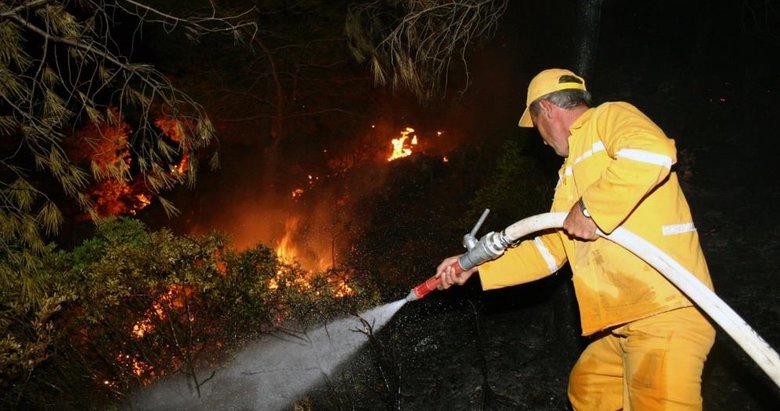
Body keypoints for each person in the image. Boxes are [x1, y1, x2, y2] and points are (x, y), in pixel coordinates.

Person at [436, 68, 715, 410]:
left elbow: (654, 151)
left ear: (547, 111)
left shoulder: (608, 118)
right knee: (589, 388)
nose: (540, 138)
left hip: (665, 308)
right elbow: (550, 251)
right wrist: (476, 268)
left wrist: (589, 208)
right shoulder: (570, 172)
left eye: (536, 124)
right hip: (623, 320)